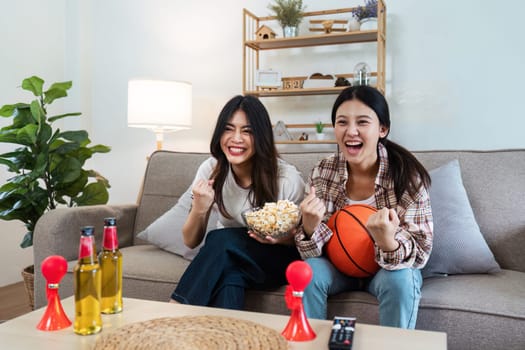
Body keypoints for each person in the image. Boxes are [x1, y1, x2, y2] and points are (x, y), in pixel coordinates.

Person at [295, 85, 433, 329]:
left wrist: (388, 241)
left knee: (401, 280)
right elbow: (311, 253)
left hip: (386, 270)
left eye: (362, 122)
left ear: (383, 129)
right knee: (307, 272)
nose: (351, 131)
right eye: (342, 122)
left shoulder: (407, 177)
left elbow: (421, 251)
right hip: (337, 267)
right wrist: (308, 227)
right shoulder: (322, 171)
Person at [170, 94, 305, 309]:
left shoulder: (286, 179)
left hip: (277, 260)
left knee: (220, 239)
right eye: (229, 128)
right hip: (230, 257)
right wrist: (199, 208)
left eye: (247, 131)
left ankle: (176, 311)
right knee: (231, 275)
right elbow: (190, 241)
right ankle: (230, 339)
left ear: (261, 136)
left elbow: (301, 243)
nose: (236, 138)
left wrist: (281, 239)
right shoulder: (211, 170)